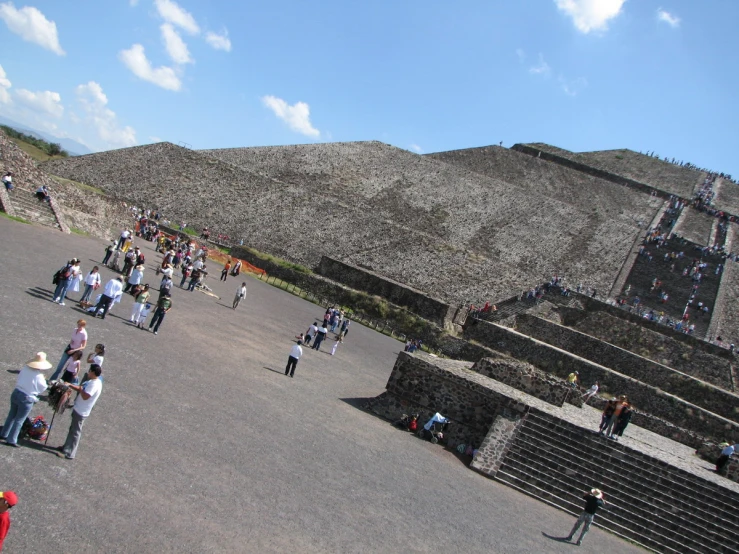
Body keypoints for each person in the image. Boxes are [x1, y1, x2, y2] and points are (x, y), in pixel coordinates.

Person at [1, 353, 51, 448]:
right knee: (19, 420)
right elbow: (43, 388)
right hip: (26, 398)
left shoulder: (25, 369)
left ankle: (4, 433)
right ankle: (11, 439)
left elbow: (19, 378)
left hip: (16, 392)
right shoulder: (39, 376)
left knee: (11, 415)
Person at [55, 365, 103, 460]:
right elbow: (81, 388)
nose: (88, 372)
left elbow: (86, 396)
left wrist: (80, 389)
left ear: (93, 372)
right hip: (79, 409)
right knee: (72, 430)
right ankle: (66, 447)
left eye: (89, 371)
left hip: (81, 411)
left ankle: (69, 453)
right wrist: (70, 385)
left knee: (75, 432)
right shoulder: (92, 381)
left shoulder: (94, 384)